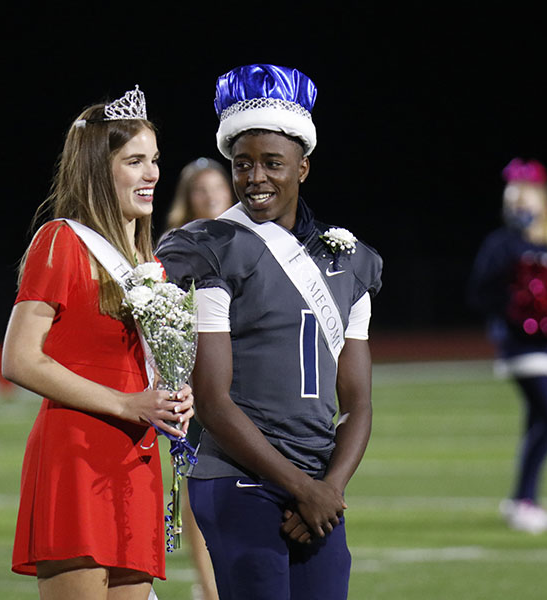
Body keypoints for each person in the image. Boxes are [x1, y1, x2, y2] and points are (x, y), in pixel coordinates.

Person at [156, 64, 383, 600]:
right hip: (238, 475)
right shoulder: (212, 246)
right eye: (242, 165)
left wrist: (328, 489)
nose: (255, 177)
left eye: (272, 164)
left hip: (316, 484)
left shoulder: (349, 261)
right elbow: (212, 401)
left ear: (303, 167)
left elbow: (357, 404)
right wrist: (305, 489)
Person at [2, 86, 194, 600]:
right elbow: (18, 359)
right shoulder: (60, 240)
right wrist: (126, 402)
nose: (152, 174)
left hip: (136, 460)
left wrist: (173, 396)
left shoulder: (148, 263)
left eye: (154, 160)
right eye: (135, 161)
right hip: (78, 457)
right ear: (98, 169)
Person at [467, 157, 547, 535]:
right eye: (513, 199)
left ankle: (525, 502)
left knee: (537, 422)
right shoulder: (502, 244)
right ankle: (522, 501)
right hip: (520, 344)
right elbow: (480, 292)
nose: (519, 205)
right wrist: (517, 300)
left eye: (525, 198)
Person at [162, 157, 234, 600]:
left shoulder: (251, 238)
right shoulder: (175, 247)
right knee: (196, 486)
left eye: (217, 189)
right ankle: (209, 588)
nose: (211, 198)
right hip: (197, 381)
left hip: (244, 380)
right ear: (187, 199)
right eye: (200, 191)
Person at [164, 157, 234, 232]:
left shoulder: (244, 233)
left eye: (218, 187)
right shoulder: (174, 239)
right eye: (201, 189)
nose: (210, 195)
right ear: (187, 197)